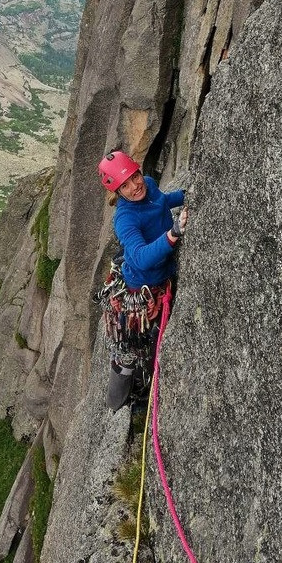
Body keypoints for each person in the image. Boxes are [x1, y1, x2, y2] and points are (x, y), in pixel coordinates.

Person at [97, 150, 187, 411]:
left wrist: (186, 196)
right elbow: (139, 257)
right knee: (135, 351)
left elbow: (161, 202)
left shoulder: (148, 184)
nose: (135, 186)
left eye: (134, 177)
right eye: (125, 185)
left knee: (147, 347)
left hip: (161, 278)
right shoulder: (125, 219)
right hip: (142, 291)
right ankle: (125, 401)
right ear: (117, 192)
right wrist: (173, 234)